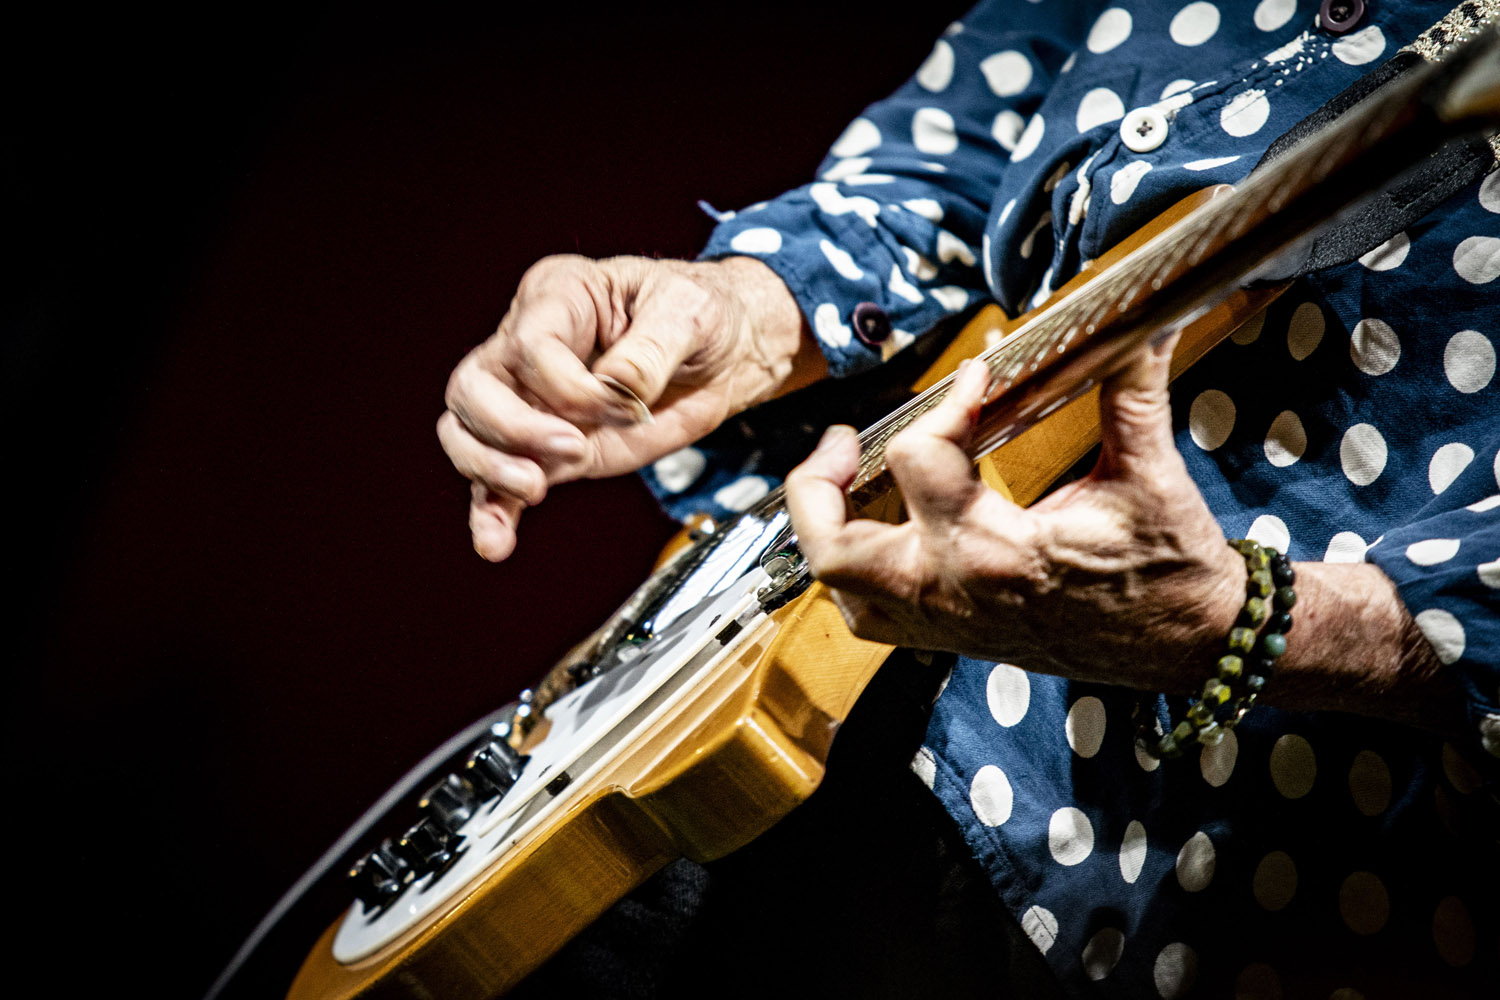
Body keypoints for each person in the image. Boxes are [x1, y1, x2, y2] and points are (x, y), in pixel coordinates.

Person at [439, 1, 1498, 995]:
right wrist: (752, 307)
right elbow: (973, 143)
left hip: (1161, 857)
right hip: (757, 641)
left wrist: (1251, 621)